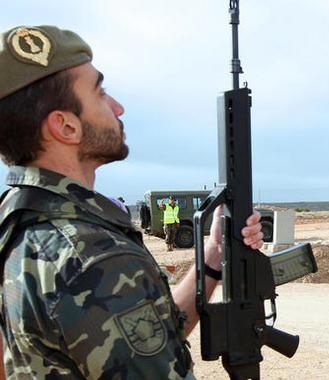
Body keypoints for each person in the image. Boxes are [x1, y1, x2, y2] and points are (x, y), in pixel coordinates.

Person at [0, 25, 264, 378]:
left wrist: (213, 257)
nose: (118, 107)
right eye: (100, 93)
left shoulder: (19, 222)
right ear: (65, 127)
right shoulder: (91, 257)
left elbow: (138, 343)